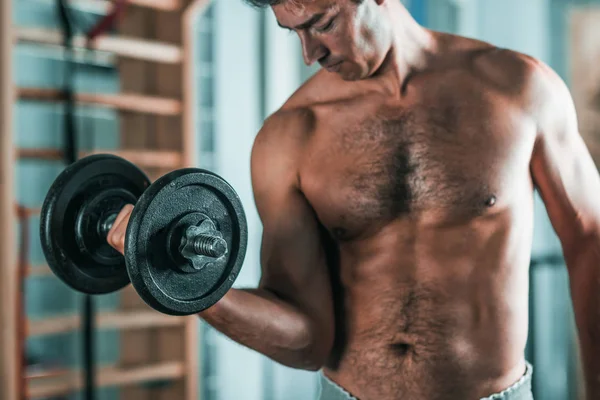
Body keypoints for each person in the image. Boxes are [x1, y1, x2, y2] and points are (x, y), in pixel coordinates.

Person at [107, 0, 600, 398]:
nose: (308, 53)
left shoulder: (518, 89)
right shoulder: (291, 136)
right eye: (293, 32)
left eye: (320, 24)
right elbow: (306, 341)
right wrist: (187, 287)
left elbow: (589, 240)